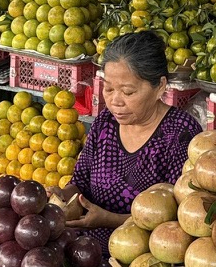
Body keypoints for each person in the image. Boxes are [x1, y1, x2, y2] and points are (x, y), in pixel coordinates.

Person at [67, 31, 201, 253]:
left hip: (145, 262)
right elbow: (80, 181)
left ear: (159, 87)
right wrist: (61, 198)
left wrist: (110, 219)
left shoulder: (180, 134)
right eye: (108, 89)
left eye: (128, 92)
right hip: (87, 254)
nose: (114, 101)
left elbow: (179, 220)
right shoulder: (105, 123)